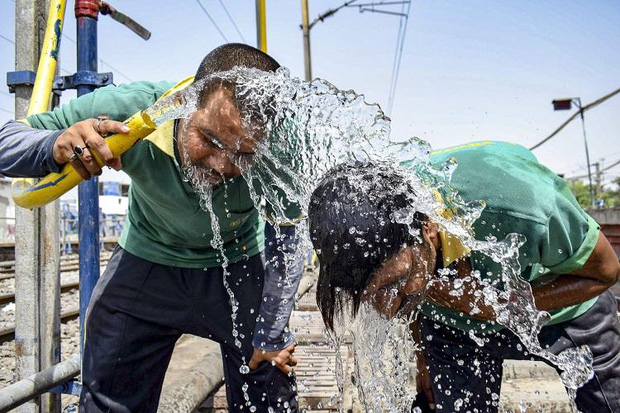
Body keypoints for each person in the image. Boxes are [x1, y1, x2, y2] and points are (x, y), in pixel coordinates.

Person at [0, 43, 304, 413]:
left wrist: (271, 332)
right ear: (186, 104)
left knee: (270, 375)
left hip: (238, 264)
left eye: (243, 154)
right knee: (107, 396)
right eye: (209, 139)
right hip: (148, 260)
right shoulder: (130, 110)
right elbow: (6, 141)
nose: (222, 163)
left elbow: (287, 240)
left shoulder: (281, 146)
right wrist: (55, 144)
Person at [308, 141, 620, 412]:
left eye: (394, 284)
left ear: (428, 229)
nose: (386, 309)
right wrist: (423, 365)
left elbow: (605, 272)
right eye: (371, 296)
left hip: (563, 309)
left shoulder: (520, 205)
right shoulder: (373, 229)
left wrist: (498, 307)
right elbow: (403, 299)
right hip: (452, 326)